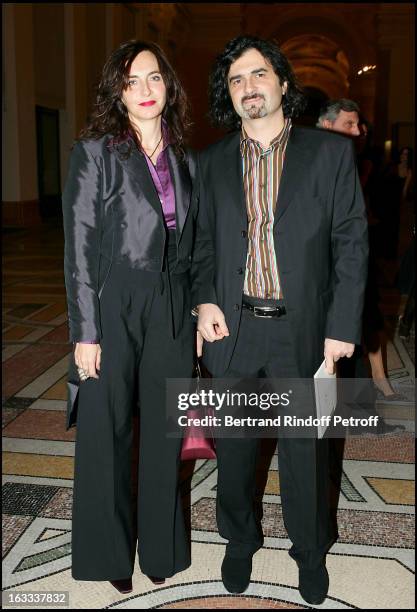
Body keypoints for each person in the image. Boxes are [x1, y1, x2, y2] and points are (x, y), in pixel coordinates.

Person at [191, 36, 368, 605]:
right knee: (236, 451)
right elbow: (196, 248)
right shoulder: (210, 161)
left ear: (282, 83)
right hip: (233, 332)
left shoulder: (329, 154)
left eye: (258, 74)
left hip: (306, 332)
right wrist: (204, 300)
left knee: (306, 454)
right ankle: (239, 541)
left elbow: (351, 244)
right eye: (237, 80)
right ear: (230, 94)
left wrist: (342, 326)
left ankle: (310, 552)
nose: (249, 87)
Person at [62, 40, 197, 594]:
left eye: (153, 78)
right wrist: (85, 333)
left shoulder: (186, 156)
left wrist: (192, 314)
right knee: (107, 429)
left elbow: (195, 241)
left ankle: (160, 547)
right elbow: (79, 245)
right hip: (111, 301)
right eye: (131, 80)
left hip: (170, 304)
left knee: (166, 429)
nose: (144, 90)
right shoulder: (96, 151)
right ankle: (109, 552)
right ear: (116, 93)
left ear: (168, 86)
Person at [320, 102, 406, 404]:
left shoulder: (360, 162)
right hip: (320, 260)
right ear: (327, 125)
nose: (358, 131)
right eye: (350, 124)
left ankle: (370, 388)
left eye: (360, 126)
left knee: (366, 318)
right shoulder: (310, 160)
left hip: (353, 254)